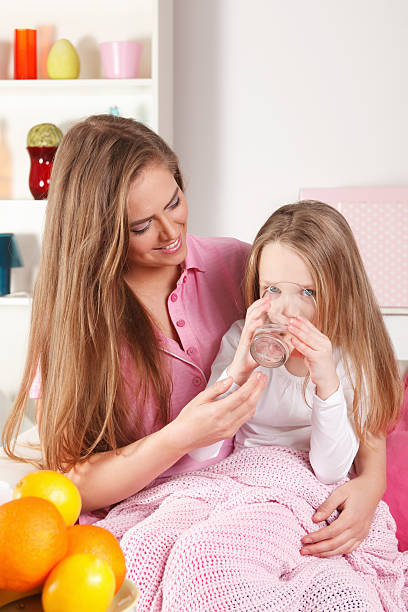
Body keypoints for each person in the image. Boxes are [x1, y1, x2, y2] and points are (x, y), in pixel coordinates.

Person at [0, 116, 394, 575]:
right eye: (142, 225)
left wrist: (371, 482)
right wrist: (182, 436)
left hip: (265, 500)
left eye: (175, 201)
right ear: (97, 233)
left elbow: (352, 361)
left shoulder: (240, 266)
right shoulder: (75, 326)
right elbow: (71, 481)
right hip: (162, 509)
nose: (171, 232)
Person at [189, 200, 402, 493]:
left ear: (341, 291)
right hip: (242, 476)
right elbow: (201, 449)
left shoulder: (348, 357)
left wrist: (327, 382)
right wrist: (237, 371)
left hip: (306, 485)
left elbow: (330, 471)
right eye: (273, 289)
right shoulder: (242, 340)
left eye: (308, 292)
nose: (287, 310)